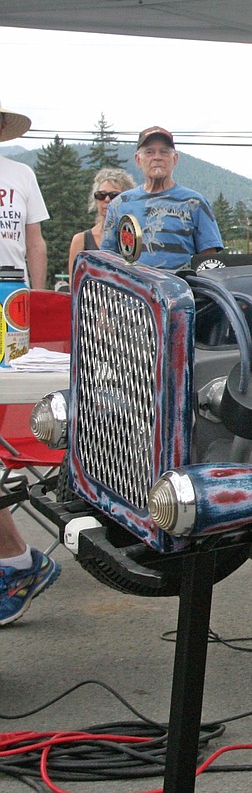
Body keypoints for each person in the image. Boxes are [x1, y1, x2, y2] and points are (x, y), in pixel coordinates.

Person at [0, 100, 59, 625]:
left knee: (11, 397)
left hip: (8, 290)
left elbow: (35, 240)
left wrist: (35, 300)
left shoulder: (20, 173)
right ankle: (16, 559)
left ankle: (16, 561)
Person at [101, 126, 223, 269]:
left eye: (164, 152)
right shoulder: (119, 205)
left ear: (175, 159)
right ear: (138, 160)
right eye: (149, 152)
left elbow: (209, 262)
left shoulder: (194, 203)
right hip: (133, 290)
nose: (157, 157)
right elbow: (107, 261)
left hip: (182, 290)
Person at [0, 101, 48, 291]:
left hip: (13, 289)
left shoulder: (23, 174)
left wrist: (38, 294)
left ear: (2, 127)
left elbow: (35, 243)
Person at [67, 167, 135, 287]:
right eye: (101, 195)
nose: (107, 200)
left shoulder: (135, 239)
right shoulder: (80, 240)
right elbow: (74, 287)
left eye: (114, 196)